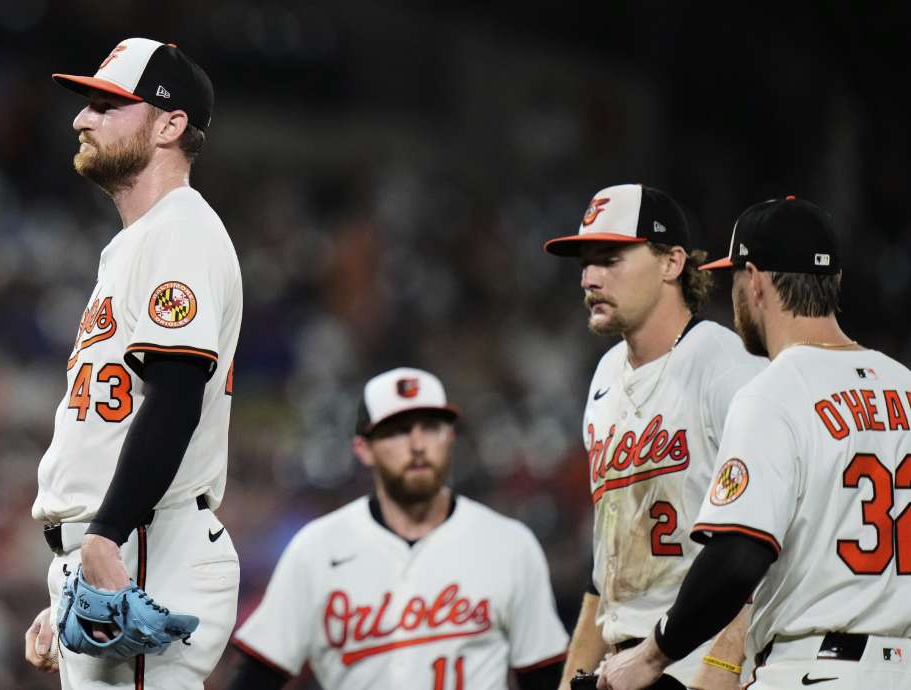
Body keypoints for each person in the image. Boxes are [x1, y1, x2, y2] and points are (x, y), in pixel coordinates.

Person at [598, 197, 911, 690]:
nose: (734, 292)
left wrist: (653, 655)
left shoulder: (774, 391)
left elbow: (738, 558)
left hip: (810, 666)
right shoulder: (904, 385)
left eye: (737, 278)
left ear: (757, 281)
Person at [21, 37, 243, 690]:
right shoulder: (143, 241)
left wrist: (107, 538)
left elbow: (175, 397)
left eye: (108, 104)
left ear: (171, 124)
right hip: (131, 544)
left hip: (149, 539)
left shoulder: (180, 230)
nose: (81, 119)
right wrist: (74, 572)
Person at [543, 184, 766, 689]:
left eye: (610, 258)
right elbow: (606, 568)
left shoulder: (724, 365)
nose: (590, 277)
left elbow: (763, 541)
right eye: (585, 262)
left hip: (697, 657)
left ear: (671, 263)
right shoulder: (604, 378)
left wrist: (726, 664)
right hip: (620, 665)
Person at [224, 367, 569, 690]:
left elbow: (544, 675)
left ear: (450, 438)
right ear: (364, 449)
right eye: (398, 431)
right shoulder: (317, 548)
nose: (417, 445)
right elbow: (258, 675)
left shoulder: (508, 545)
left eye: (431, 428)